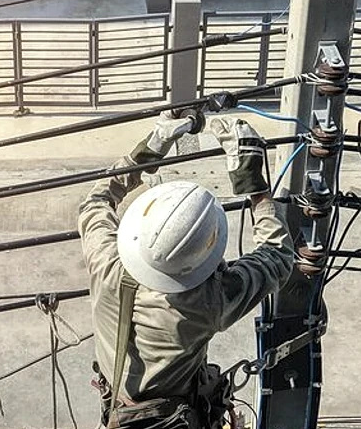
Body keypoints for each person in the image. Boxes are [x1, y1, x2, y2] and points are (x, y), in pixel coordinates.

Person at [78, 111, 294, 429]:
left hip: (119, 411)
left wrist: (153, 145)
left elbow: (96, 200)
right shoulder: (207, 302)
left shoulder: (106, 262)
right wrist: (255, 186)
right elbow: (277, 256)